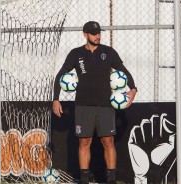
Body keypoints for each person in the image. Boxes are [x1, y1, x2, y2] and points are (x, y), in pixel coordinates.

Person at [52, 21, 137, 184]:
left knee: (108, 142)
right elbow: (60, 76)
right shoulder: (75, 54)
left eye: (99, 33)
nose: (97, 36)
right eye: (93, 33)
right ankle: (84, 179)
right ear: (85, 35)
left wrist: (133, 90)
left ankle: (111, 179)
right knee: (84, 142)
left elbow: (124, 72)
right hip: (83, 105)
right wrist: (56, 99)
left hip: (105, 105)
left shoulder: (109, 52)